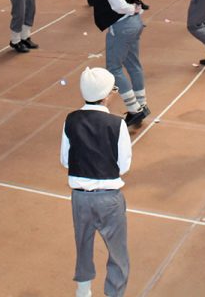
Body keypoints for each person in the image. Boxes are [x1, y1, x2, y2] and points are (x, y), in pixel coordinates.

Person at [60, 67, 132, 297]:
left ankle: (83, 291)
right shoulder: (116, 124)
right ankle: (114, 292)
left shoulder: (70, 120)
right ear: (106, 95)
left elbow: (64, 160)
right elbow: (124, 165)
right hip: (109, 198)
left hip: (80, 197)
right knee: (117, 251)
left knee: (83, 244)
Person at [92, 0, 149, 129]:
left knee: (114, 68)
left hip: (122, 24)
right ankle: (142, 103)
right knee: (133, 64)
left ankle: (134, 109)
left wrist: (131, 7)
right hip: (136, 23)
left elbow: (116, 4)